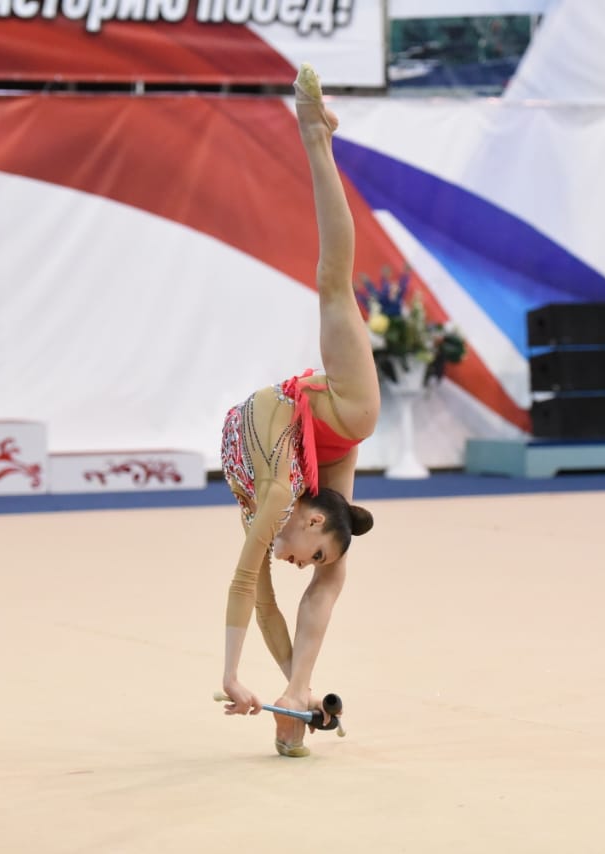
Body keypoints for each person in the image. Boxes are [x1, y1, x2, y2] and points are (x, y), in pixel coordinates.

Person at [218, 63, 381, 757]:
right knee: (333, 285)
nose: (297, 563)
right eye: (307, 551)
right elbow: (243, 583)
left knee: (336, 572)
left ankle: (298, 695)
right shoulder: (284, 497)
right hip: (340, 413)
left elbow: (262, 602)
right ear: (312, 520)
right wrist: (231, 675)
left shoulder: (278, 509)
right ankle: (315, 134)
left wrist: (294, 692)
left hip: (310, 437)